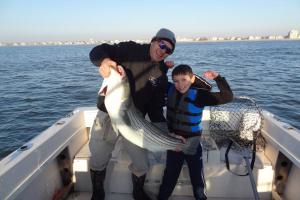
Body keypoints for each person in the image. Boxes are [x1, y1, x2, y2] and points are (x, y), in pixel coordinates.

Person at [88, 28, 177, 200]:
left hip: (135, 123)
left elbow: (156, 109)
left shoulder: (161, 76)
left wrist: (166, 134)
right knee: (98, 157)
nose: (163, 51)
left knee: (142, 164)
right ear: (153, 40)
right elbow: (97, 51)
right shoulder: (129, 50)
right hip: (108, 115)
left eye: (168, 50)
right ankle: (98, 192)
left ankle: (138, 192)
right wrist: (105, 61)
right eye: (161, 45)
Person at [157, 64, 233, 200]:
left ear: (192, 79)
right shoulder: (169, 89)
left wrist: (217, 77)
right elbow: (157, 81)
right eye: (176, 81)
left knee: (197, 177)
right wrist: (164, 67)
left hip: (193, 142)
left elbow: (227, 96)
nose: (180, 85)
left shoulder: (200, 95)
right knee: (169, 176)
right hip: (173, 141)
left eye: (184, 80)